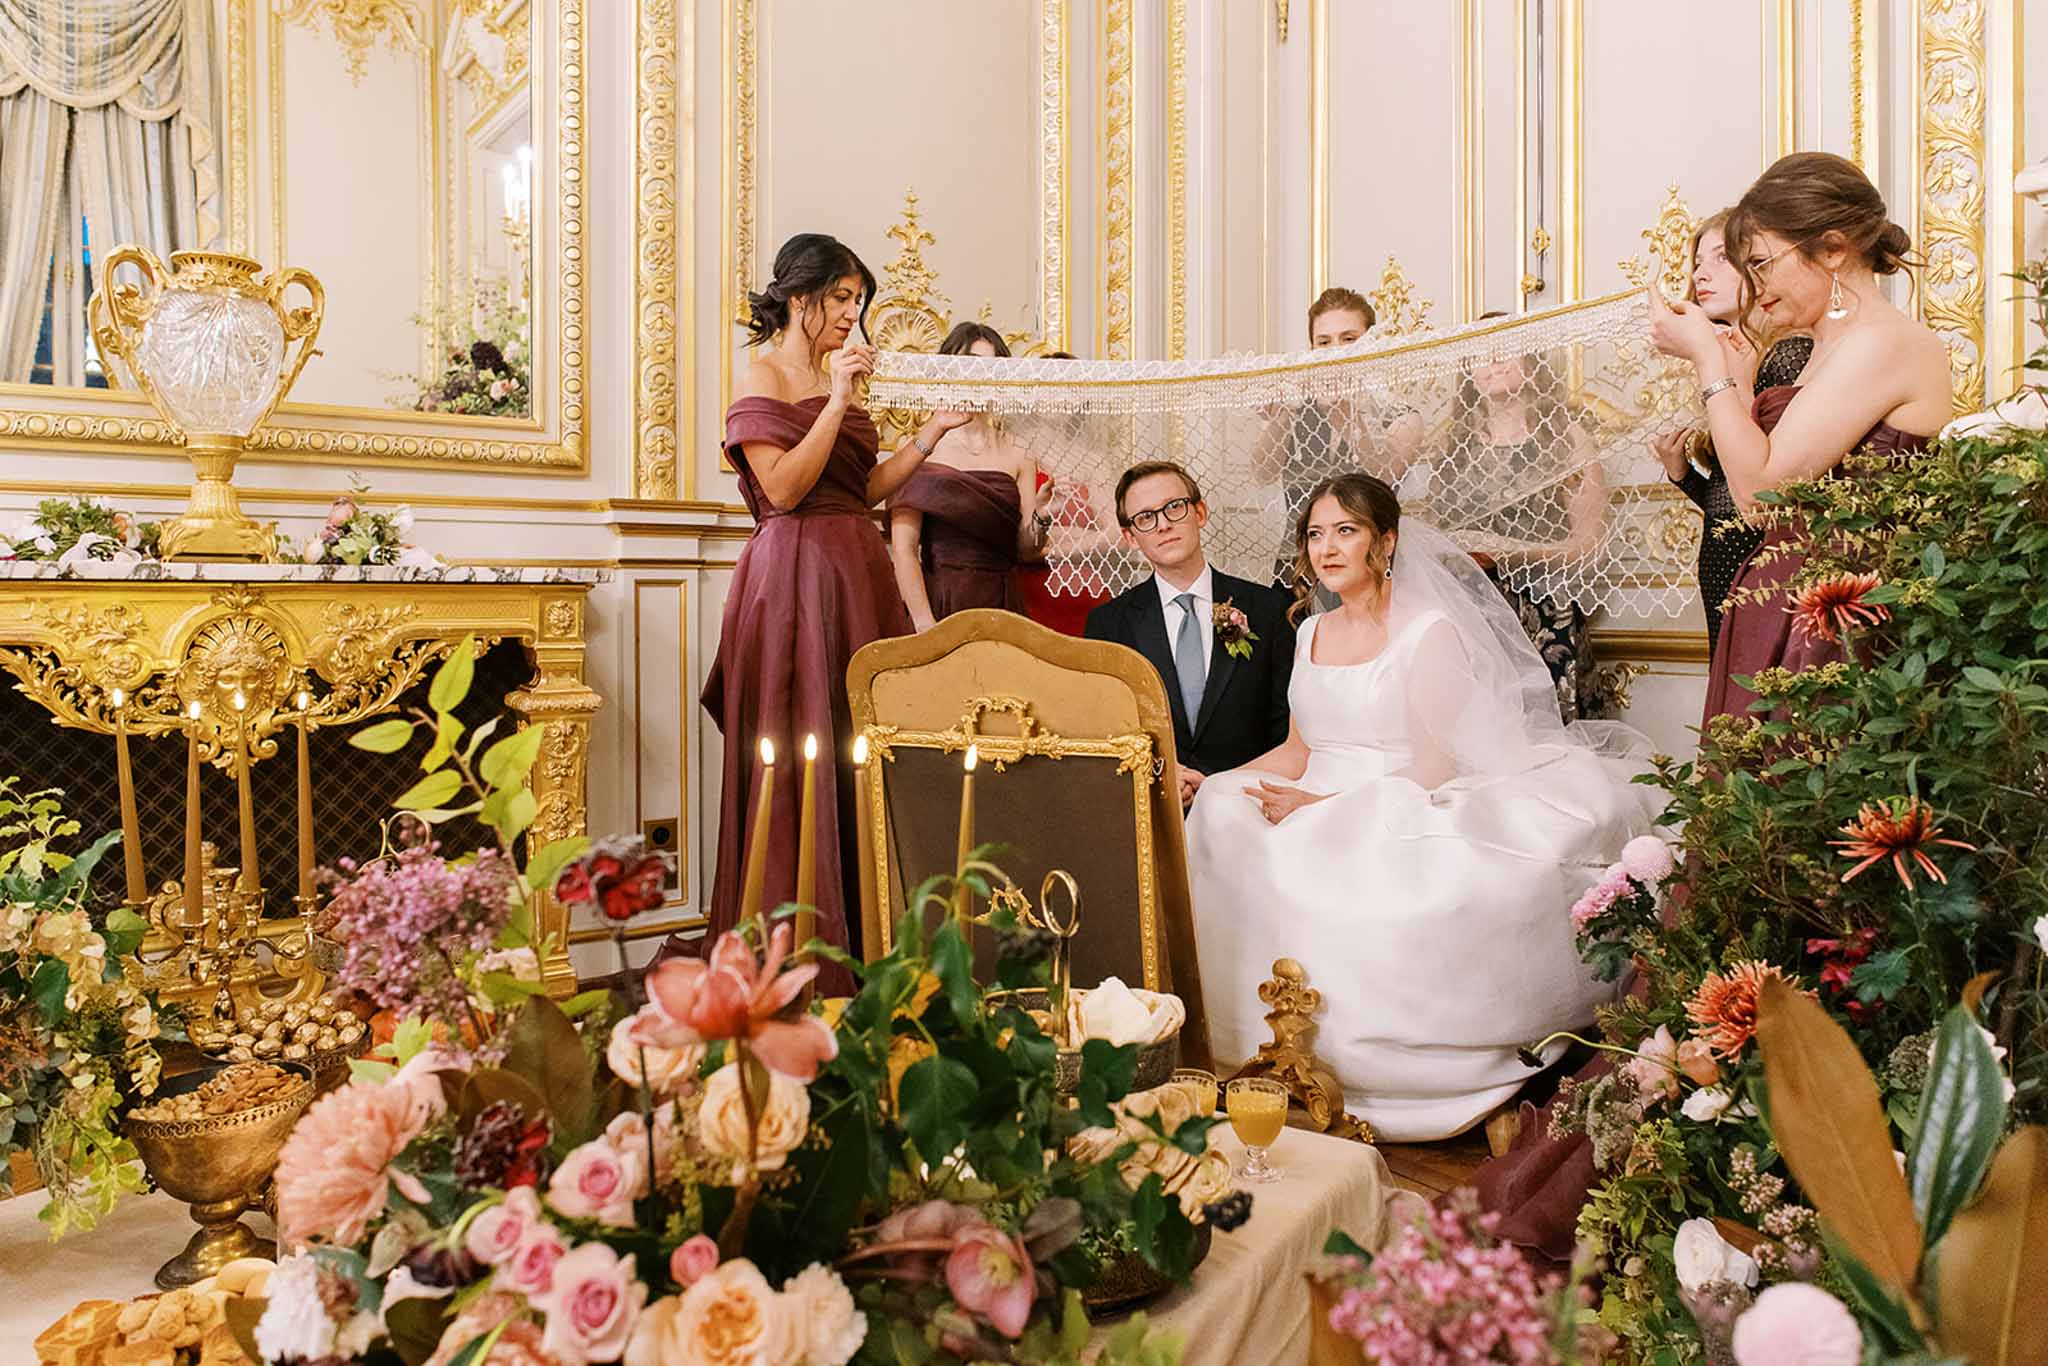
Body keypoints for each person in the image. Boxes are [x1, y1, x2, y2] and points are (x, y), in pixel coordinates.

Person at [1184, 473, 1661, 1140]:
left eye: (1345, 531)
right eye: (1316, 534)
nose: (1327, 547)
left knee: (1328, 849)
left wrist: (1321, 803)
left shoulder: (1427, 629)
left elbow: (1434, 767)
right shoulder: (1311, 632)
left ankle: (1370, 1063)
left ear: (1386, 542)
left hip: (1396, 796)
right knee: (1218, 812)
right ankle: (1246, 1044)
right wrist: (1216, 781)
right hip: (1311, 788)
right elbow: (1295, 749)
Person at [697, 232, 968, 993]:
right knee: (799, 739)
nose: (853, 314)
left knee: (858, 742)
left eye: (859, 300)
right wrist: (841, 399)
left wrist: (930, 436)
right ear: (799, 297)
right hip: (793, 578)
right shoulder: (762, 375)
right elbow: (783, 488)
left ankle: (866, 927)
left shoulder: (831, 376)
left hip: (856, 571)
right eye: (841, 298)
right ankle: (795, 946)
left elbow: (865, 488)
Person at [1649, 151, 1950, 722]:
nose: (1756, 284)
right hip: (1784, 601)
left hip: (1835, 621)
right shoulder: (1823, 349)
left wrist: (1707, 357)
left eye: (1762, 263)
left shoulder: (1882, 343)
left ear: (1833, 249)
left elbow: (1761, 498)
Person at [1085, 461, 1295, 809]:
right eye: (1145, 518)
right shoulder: (1108, 624)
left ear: (1199, 512)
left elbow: (1284, 726)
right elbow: (1105, 730)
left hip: (1250, 809)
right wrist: (1160, 777)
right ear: (1130, 537)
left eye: (1174, 507)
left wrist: (1225, 787)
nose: (1163, 524)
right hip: (1154, 811)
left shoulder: (1269, 609)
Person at [1651, 210, 1813, 659]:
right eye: (1698, 262)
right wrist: (1684, 476)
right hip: (1724, 566)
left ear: (1758, 266)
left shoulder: (1788, 357)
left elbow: (1773, 501)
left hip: (1769, 575)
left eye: (1722, 258)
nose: (1702, 273)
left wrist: (1730, 377)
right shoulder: (1726, 360)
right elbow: (1732, 502)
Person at [1440, 322, 1610, 720]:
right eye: (1480, 354)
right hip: (1469, 620)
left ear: (1531, 358)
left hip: (1546, 620)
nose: (1493, 360)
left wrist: (1507, 553)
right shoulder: (1452, 450)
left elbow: (1590, 548)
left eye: (1506, 348)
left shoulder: (1567, 437)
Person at [1254, 287, 1425, 585]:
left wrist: (1345, 410)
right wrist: (1284, 413)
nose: (1336, 351)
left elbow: (1384, 476)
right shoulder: (1297, 407)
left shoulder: (1402, 414)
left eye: (1349, 339)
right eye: (1324, 342)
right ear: (1311, 349)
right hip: (1300, 565)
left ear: (1371, 345)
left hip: (1370, 567)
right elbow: (1262, 471)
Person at [888, 323, 1055, 627]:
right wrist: (925, 622)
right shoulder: (917, 448)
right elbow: (904, 550)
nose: (982, 376)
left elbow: (1026, 550)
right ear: (949, 369)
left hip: (1002, 601)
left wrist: (1042, 516)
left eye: (992, 368)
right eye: (972, 364)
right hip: (941, 599)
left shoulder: (1019, 452)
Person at [1015, 351, 1113, 635]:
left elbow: (1117, 535)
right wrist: (1082, 535)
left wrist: (1060, 547)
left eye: (1067, 387)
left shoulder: (1094, 461)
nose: (1057, 395)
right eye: (1048, 385)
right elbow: (1019, 539)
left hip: (1085, 590)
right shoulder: (1015, 451)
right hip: (1028, 594)